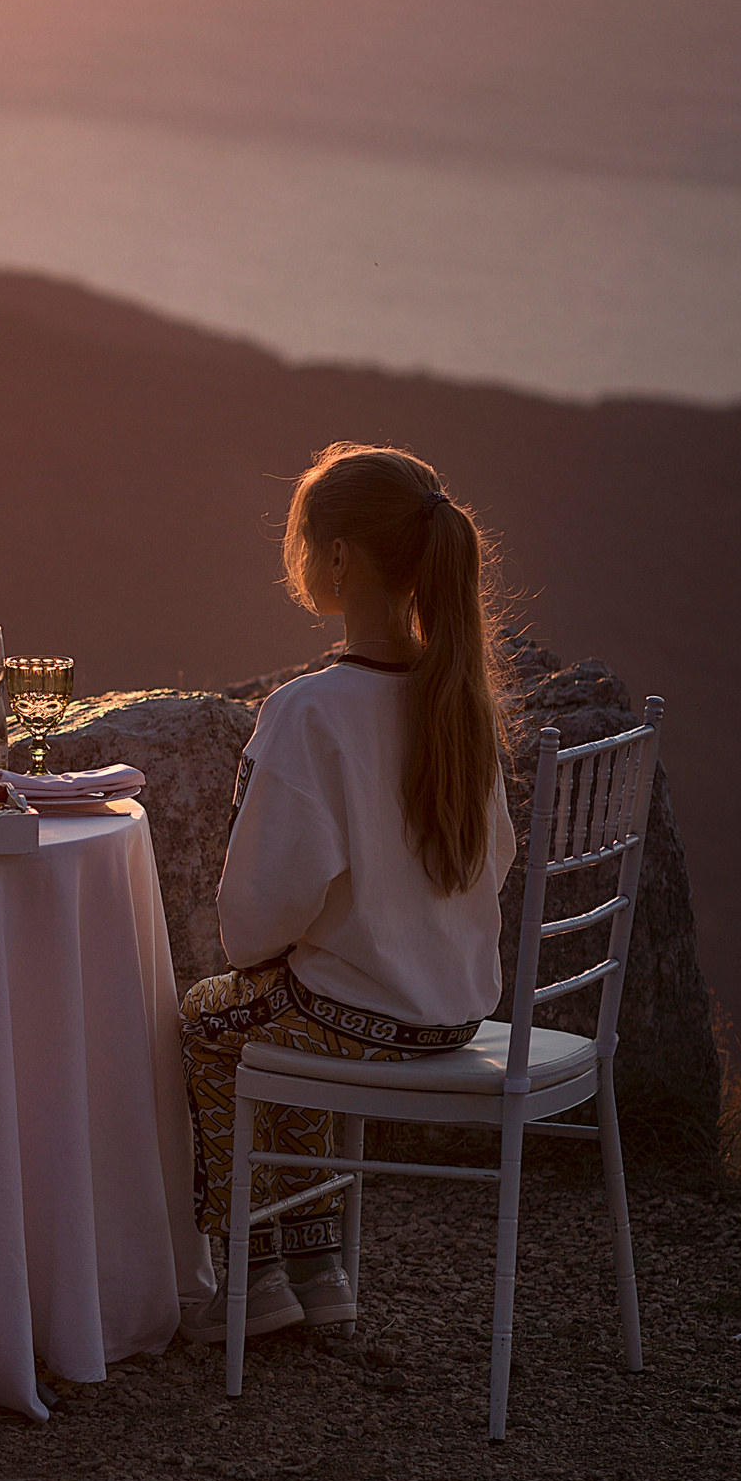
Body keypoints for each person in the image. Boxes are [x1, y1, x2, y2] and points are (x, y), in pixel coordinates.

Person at [179, 443, 515, 1344]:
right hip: (456, 1016)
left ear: (341, 560)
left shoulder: (310, 710)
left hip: (362, 1024)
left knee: (216, 1017)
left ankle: (251, 1275)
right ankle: (318, 1267)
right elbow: (499, 864)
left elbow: (256, 913)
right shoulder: (461, 699)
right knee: (297, 998)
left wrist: (271, 953)